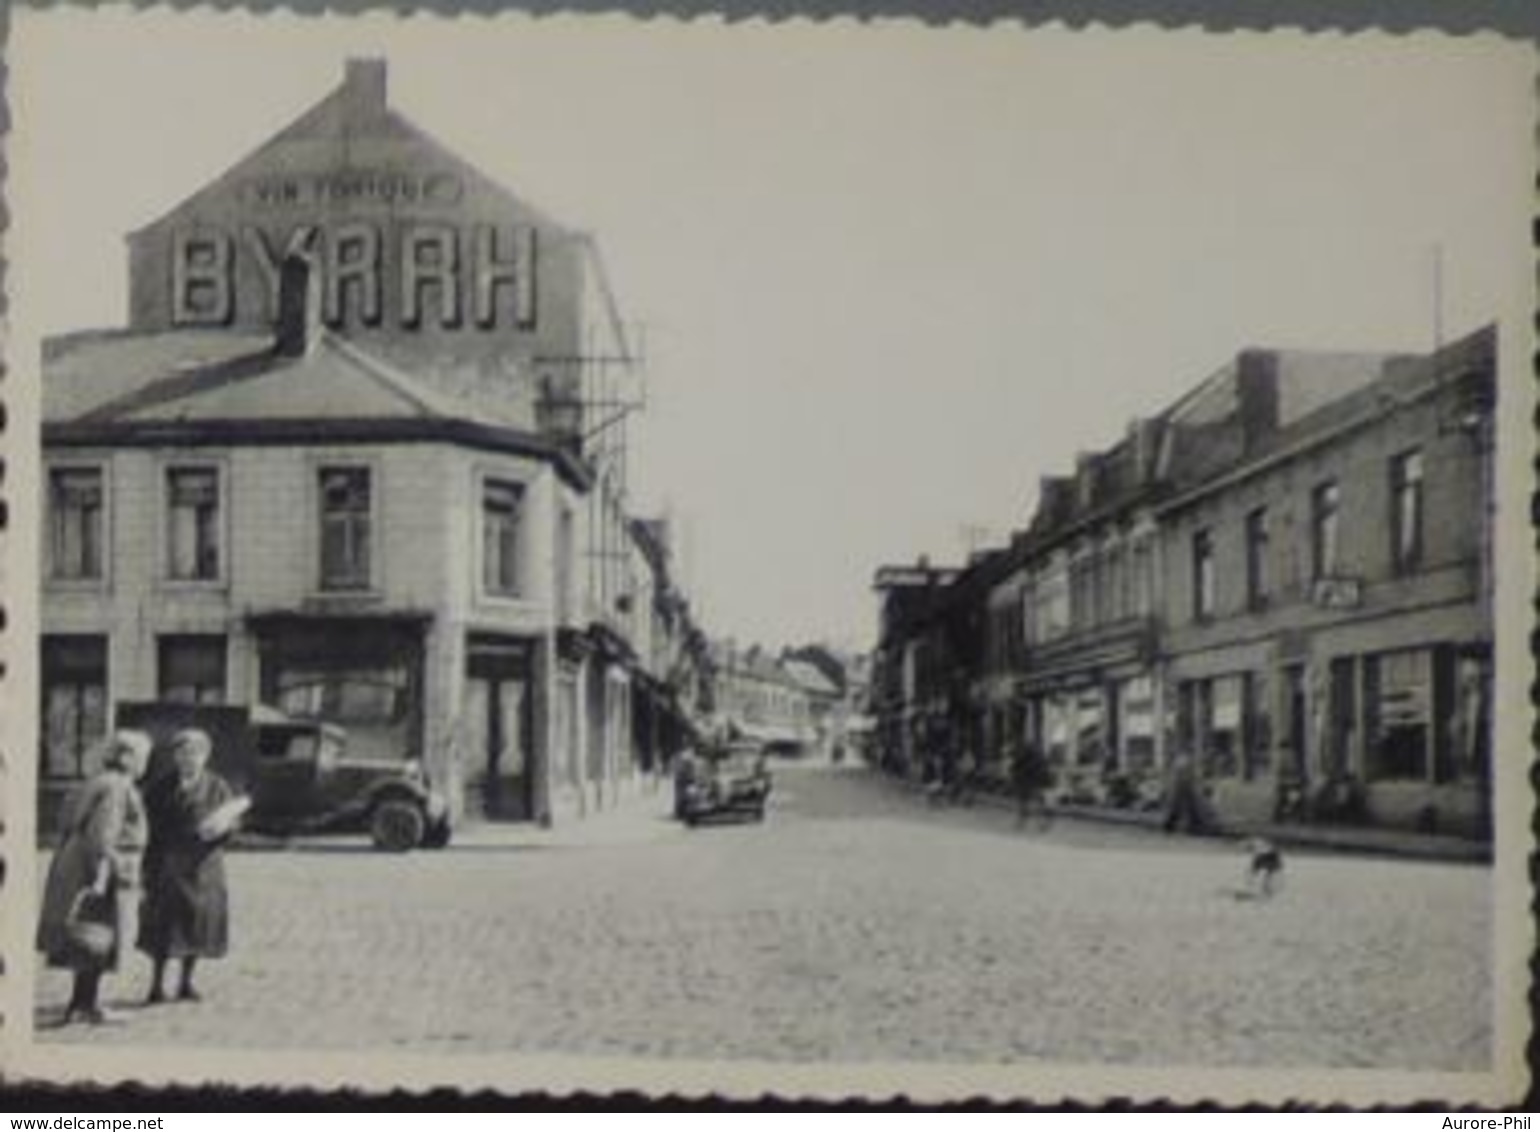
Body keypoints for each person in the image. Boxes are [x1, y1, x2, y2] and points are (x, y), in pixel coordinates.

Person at [36, 729, 153, 1025]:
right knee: (95, 935)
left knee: (87, 937)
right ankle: (82, 1006)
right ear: (126, 757)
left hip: (76, 863)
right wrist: (109, 877)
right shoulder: (117, 787)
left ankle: (82, 1003)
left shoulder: (95, 781)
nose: (145, 764)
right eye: (143, 757)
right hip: (96, 869)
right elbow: (103, 836)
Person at [138, 729, 238, 1005]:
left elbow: (233, 824)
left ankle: (185, 983)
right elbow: (146, 827)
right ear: (175, 756)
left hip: (205, 867)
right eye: (182, 754)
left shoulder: (218, 786)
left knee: (197, 925)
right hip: (167, 866)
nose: (188, 760)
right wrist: (148, 865)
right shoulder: (159, 788)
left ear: (206, 756)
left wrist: (221, 830)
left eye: (194, 753)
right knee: (163, 927)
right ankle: (156, 985)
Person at [1011, 737, 1052, 829]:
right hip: (1034, 782)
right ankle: (1041, 823)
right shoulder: (1040, 756)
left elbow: (1017, 768)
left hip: (1029, 782)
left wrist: (1016, 775)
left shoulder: (1026, 756)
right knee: (1036, 802)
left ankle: (1025, 822)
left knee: (1027, 802)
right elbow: (1044, 771)